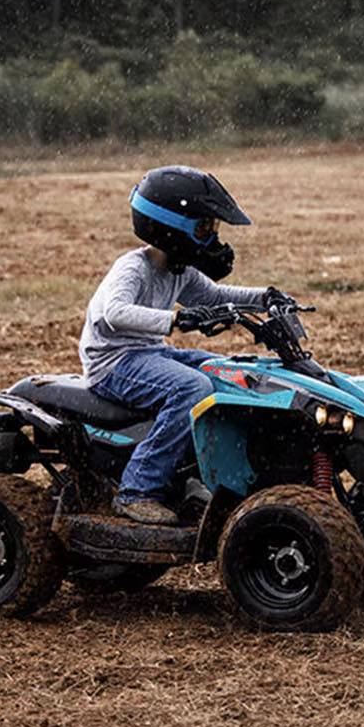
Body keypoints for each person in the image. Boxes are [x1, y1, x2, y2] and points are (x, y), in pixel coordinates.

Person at [78, 165, 282, 526]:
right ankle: (137, 490)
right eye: (204, 229)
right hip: (114, 362)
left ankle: (197, 475)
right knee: (192, 387)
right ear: (170, 227)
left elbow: (217, 296)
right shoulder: (133, 268)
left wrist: (266, 299)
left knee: (225, 373)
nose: (212, 240)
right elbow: (114, 312)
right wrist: (174, 319)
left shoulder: (179, 271)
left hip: (149, 353)